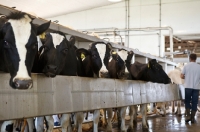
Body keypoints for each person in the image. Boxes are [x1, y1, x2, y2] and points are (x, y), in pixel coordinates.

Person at [180, 53, 200, 123]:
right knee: (195, 102)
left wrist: (187, 77)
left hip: (188, 86)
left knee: (187, 101)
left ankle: (188, 116)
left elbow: (182, 76)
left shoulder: (186, 66)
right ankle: (192, 118)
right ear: (196, 59)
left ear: (190, 58)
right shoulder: (199, 66)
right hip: (196, 87)